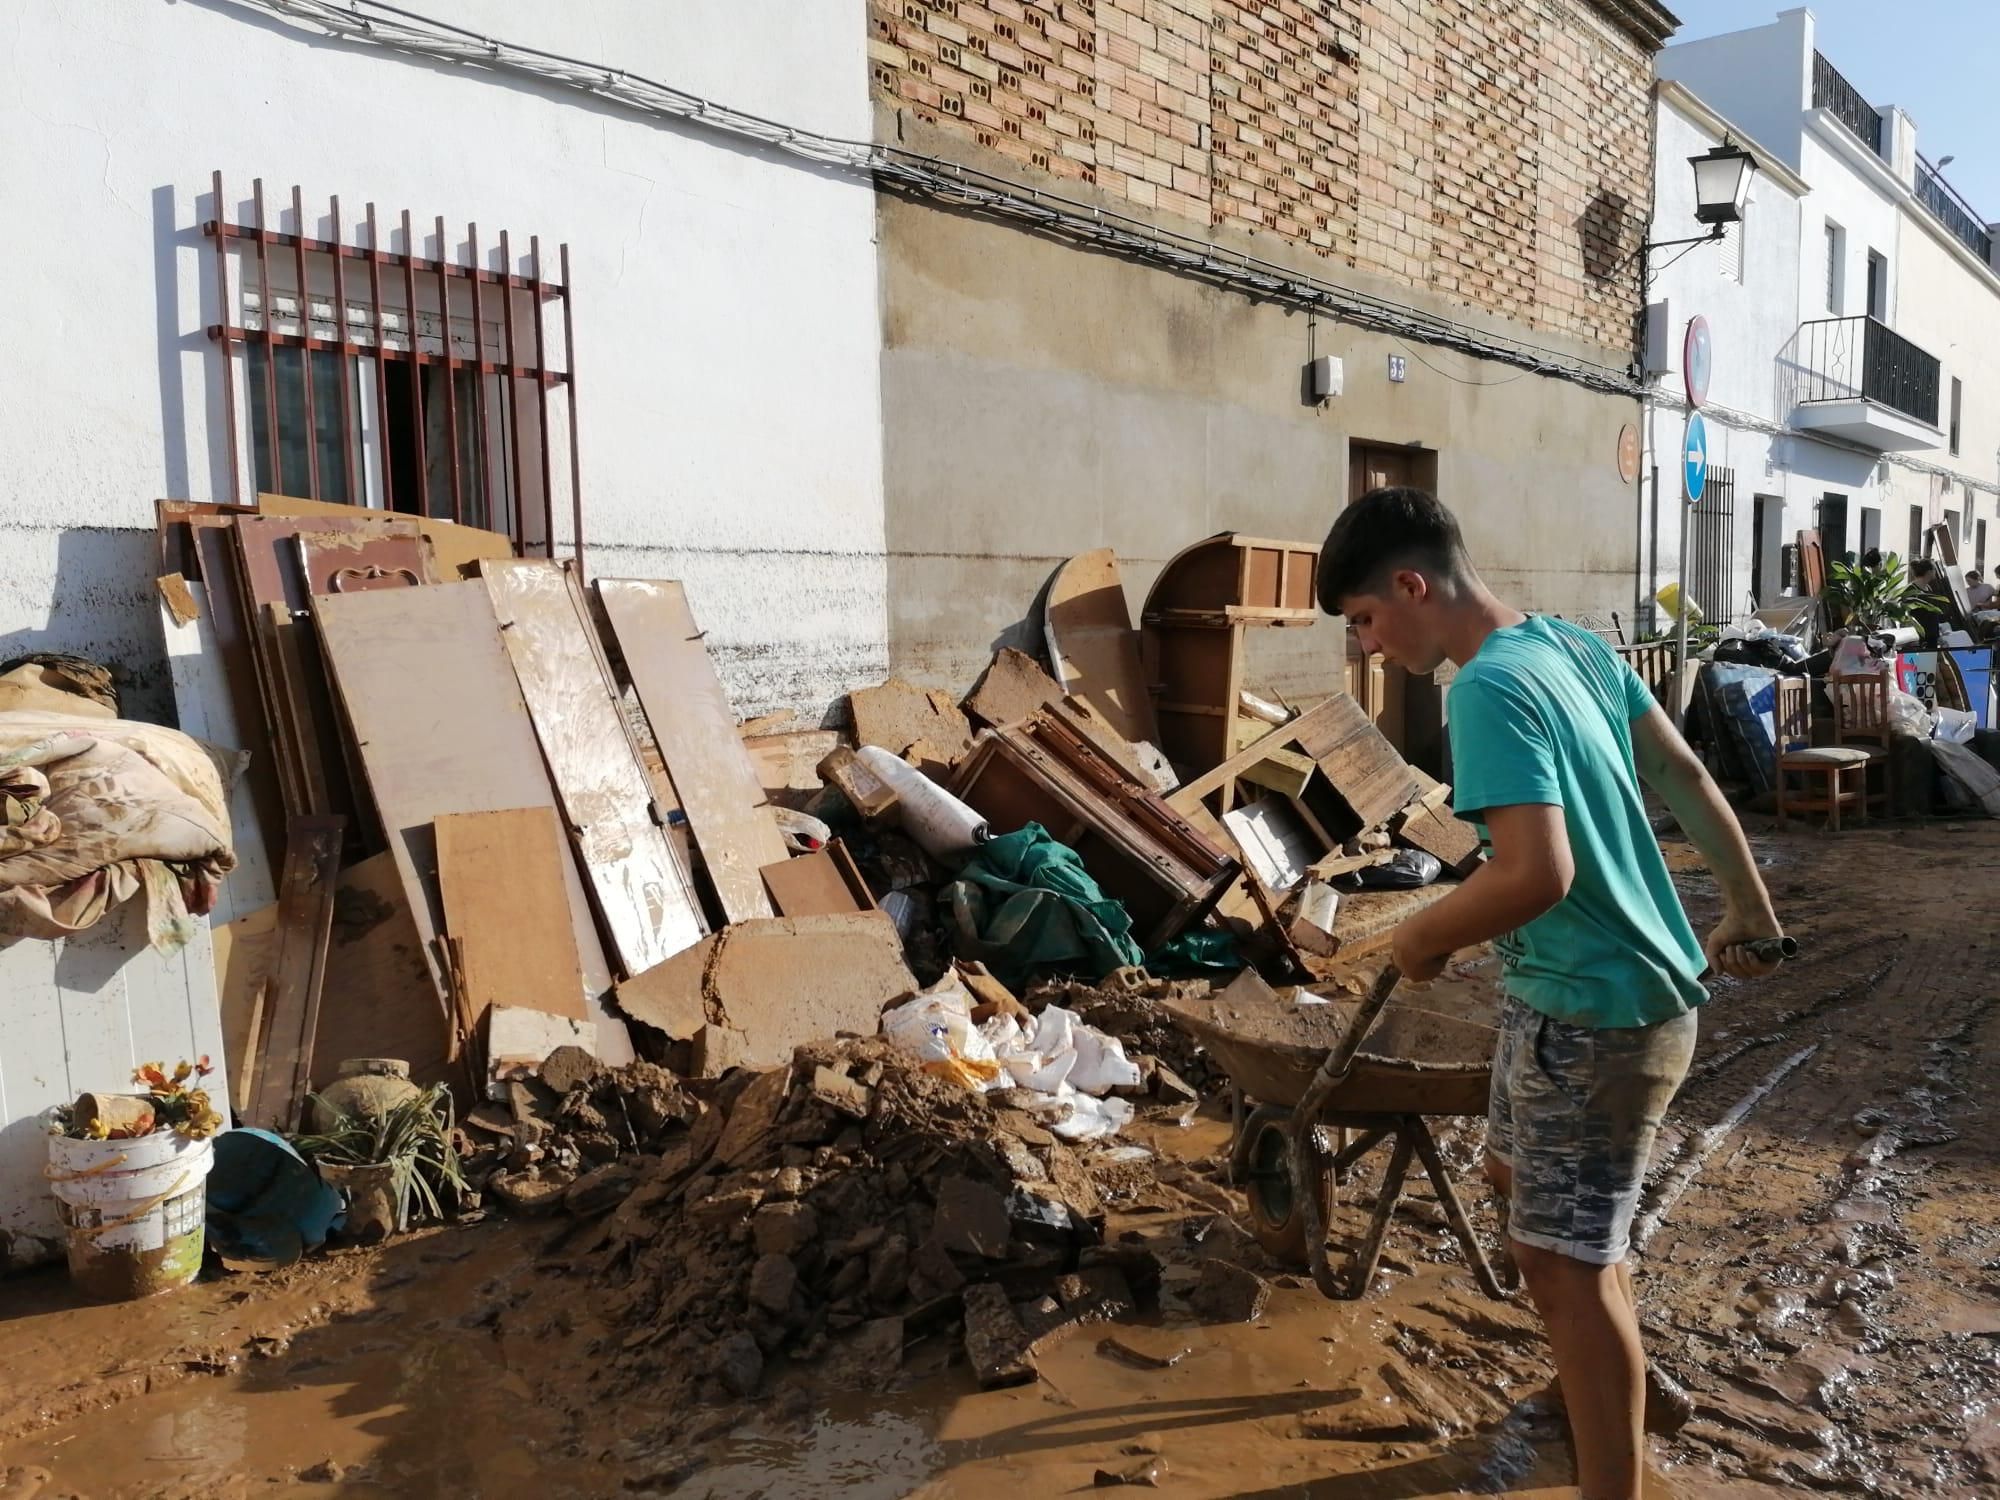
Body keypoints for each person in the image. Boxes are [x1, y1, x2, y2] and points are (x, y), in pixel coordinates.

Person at [1316, 488, 1785, 1500]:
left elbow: (1535, 874)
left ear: (1410, 585)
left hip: (1593, 1016)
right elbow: (1685, 776)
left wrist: (1420, 933)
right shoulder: (1569, 646)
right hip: (1581, 1001)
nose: (1363, 644)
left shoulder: (1480, 691)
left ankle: (1608, 1471)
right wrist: (1747, 908)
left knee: (1563, 1265)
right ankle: (1619, 1385)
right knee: (1515, 1185)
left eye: (1361, 619)